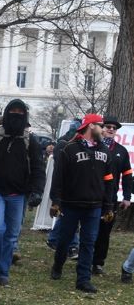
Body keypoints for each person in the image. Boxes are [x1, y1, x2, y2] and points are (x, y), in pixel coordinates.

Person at [49, 113, 114, 293]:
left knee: (88, 242)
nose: (103, 129)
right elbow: (59, 177)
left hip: (94, 206)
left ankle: (83, 279)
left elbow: (109, 180)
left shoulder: (104, 151)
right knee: (65, 239)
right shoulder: (69, 149)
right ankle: (58, 265)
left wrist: (108, 206)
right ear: (91, 126)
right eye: (101, 125)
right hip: (71, 204)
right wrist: (56, 201)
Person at [0, 99, 45, 287]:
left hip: (19, 195)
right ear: (7, 112)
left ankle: (3, 271)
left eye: (20, 112)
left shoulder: (30, 140)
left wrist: (37, 191)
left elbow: (37, 167)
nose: (16, 115)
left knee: (11, 235)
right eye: (13, 111)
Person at [91, 116, 132, 276]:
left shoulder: (121, 151)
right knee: (88, 230)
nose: (110, 129)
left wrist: (127, 196)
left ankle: (98, 263)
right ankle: (85, 258)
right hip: (90, 196)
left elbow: (127, 175)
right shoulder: (93, 146)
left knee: (104, 232)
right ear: (101, 128)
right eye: (107, 126)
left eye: (114, 128)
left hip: (110, 199)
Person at [46, 119, 82, 258]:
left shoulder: (64, 143)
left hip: (72, 185)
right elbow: (60, 167)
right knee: (69, 216)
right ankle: (72, 246)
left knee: (67, 216)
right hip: (66, 186)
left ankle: (54, 239)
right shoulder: (63, 144)